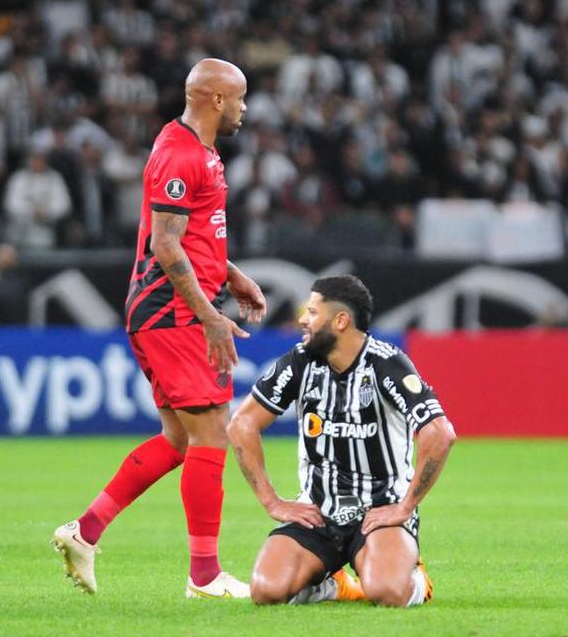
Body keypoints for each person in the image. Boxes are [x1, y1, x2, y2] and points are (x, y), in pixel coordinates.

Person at [53, 58, 266, 598]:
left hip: (169, 308)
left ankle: (86, 531)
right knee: (212, 431)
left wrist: (231, 276)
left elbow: (190, 235)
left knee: (179, 438)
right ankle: (205, 576)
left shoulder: (197, 151)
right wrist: (209, 314)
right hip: (171, 312)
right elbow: (165, 245)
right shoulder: (178, 152)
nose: (244, 108)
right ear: (216, 99)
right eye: (239, 98)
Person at [227, 276, 457, 607]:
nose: (302, 319)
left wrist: (405, 506)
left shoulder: (385, 364)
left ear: (340, 320)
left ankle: (414, 575)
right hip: (318, 512)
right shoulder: (300, 361)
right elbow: (242, 424)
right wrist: (272, 501)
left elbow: (440, 433)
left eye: (312, 311)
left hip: (379, 511)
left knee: (388, 592)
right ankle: (334, 585)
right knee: (266, 591)